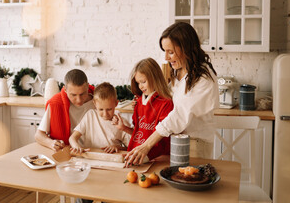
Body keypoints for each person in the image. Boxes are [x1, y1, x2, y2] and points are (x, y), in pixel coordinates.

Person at [124, 22, 219, 166]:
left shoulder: (203, 78)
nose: (166, 57)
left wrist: (147, 145)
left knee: (188, 184)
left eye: (171, 52)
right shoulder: (179, 72)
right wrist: (145, 102)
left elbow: (179, 115)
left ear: (186, 48)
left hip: (195, 144)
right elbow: (166, 98)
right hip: (174, 141)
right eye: (165, 51)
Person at [113, 58, 173, 160]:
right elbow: (139, 133)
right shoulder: (139, 102)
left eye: (143, 82)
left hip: (154, 158)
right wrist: (123, 128)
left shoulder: (166, 104)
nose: (140, 86)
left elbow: (162, 139)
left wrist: (145, 158)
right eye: (138, 83)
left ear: (155, 78)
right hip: (135, 155)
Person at [35, 69, 95, 151]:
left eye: (82, 94)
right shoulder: (55, 103)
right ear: (65, 90)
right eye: (73, 95)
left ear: (88, 86)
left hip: (94, 150)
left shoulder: (98, 101)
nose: (79, 100)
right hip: (68, 152)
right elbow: (38, 135)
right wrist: (51, 143)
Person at [69, 82, 130, 154]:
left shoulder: (122, 123)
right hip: (90, 158)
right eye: (101, 109)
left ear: (116, 103)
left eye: (109, 109)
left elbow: (130, 147)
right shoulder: (90, 115)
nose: (105, 114)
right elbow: (72, 138)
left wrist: (118, 147)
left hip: (111, 159)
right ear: (94, 104)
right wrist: (76, 146)